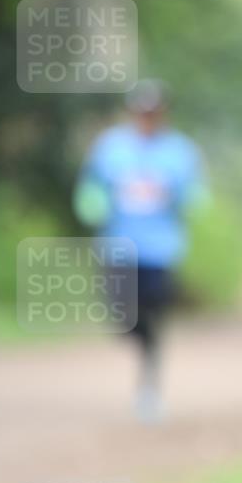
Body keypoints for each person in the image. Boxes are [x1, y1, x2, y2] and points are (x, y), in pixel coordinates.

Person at [74, 79, 207, 422]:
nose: (147, 118)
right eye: (141, 112)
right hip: (118, 247)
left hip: (160, 251)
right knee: (122, 317)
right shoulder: (111, 147)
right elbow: (91, 188)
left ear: (162, 113)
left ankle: (148, 386)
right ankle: (143, 347)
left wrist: (175, 197)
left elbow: (195, 195)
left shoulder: (180, 151)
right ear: (132, 112)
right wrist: (94, 207)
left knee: (152, 318)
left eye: (153, 112)